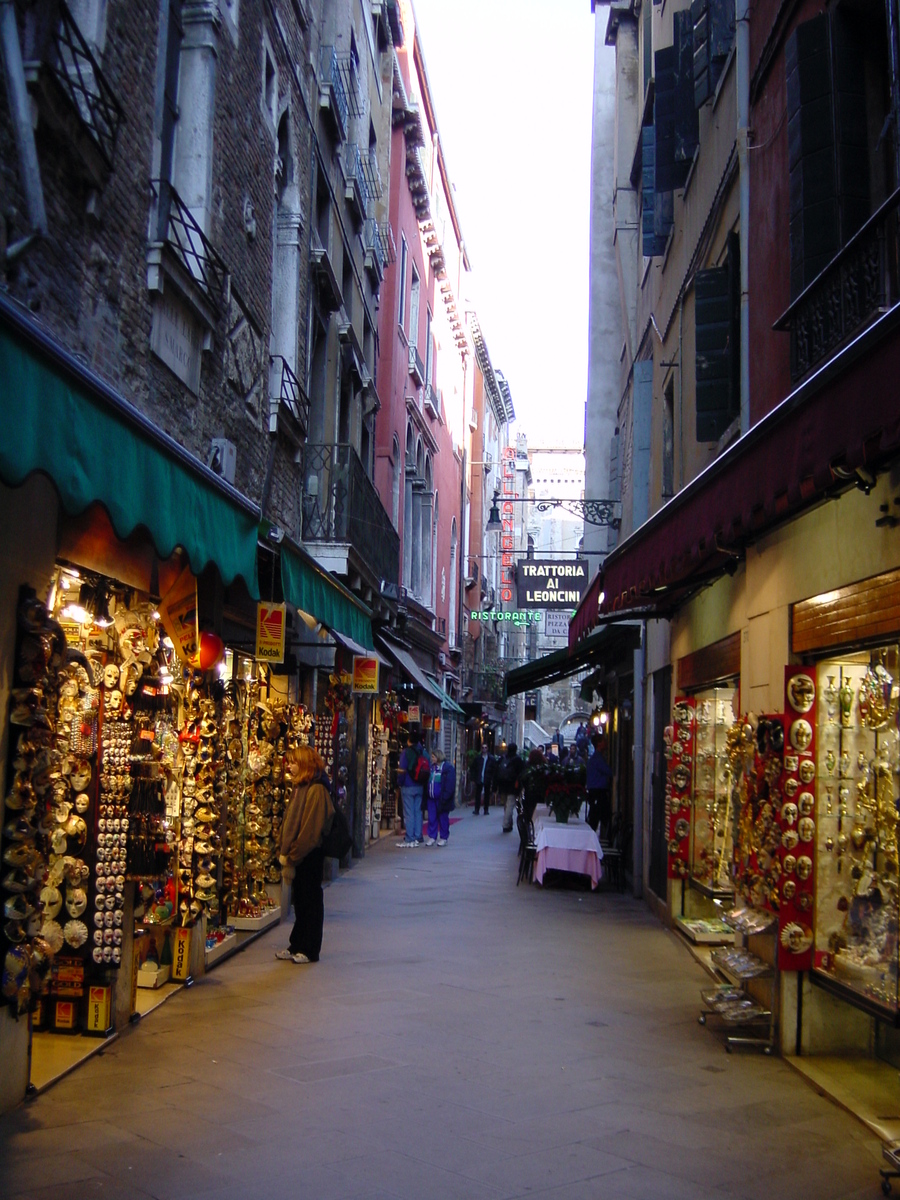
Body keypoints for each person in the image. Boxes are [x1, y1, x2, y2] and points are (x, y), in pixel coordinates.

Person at [276, 745, 333, 964]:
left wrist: (294, 854)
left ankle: (310, 949)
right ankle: (297, 944)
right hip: (299, 853)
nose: (289, 766)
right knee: (300, 902)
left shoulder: (316, 789)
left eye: (293, 762)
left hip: (309, 854)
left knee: (310, 901)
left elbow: (311, 829)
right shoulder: (301, 786)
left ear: (304, 764)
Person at [396, 732, 426, 846]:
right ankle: (418, 836)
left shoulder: (406, 752)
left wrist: (399, 782)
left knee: (409, 812)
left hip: (408, 785)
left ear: (409, 741)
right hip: (419, 785)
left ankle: (410, 837)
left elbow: (402, 770)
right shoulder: (422, 751)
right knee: (418, 811)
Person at [424, 749, 456, 845]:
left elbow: (450, 784)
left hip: (441, 798)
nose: (431, 758)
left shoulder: (447, 768)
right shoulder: (431, 768)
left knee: (443, 818)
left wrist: (445, 797)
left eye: (433, 757)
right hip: (431, 798)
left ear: (438, 757)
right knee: (432, 818)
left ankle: (443, 837)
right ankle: (432, 837)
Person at [586, 733, 612, 836]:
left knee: (596, 816)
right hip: (598, 792)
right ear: (599, 744)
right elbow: (609, 771)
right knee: (596, 817)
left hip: (596, 792)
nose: (606, 743)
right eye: (603, 741)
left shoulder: (596, 758)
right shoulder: (597, 759)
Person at [495, 743, 524, 833]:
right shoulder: (518, 759)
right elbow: (521, 773)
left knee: (506, 805)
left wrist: (495, 786)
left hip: (503, 785)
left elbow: (496, 771)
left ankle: (509, 823)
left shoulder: (503, 758)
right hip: (513, 785)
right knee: (510, 805)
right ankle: (506, 824)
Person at [471, 743, 495, 815]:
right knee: (477, 794)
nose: (484, 749)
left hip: (487, 778)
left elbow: (493, 769)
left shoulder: (491, 759)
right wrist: (473, 778)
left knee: (487, 795)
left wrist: (492, 778)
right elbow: (473, 768)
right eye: (483, 747)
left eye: (485, 747)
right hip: (479, 778)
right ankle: (476, 809)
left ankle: (486, 809)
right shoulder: (478, 758)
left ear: (487, 749)